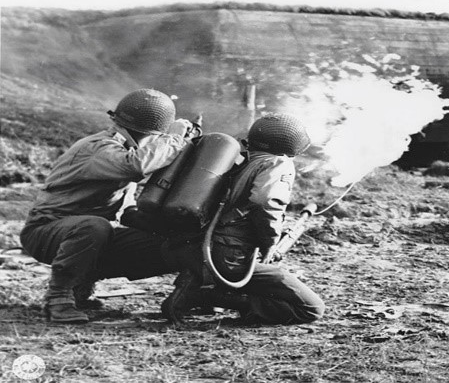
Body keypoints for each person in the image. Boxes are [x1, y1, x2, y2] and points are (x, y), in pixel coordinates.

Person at [20, 88, 198, 323]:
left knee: (167, 244)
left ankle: (79, 288)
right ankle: (59, 298)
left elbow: (125, 210)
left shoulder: (125, 149)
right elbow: (135, 166)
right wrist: (174, 137)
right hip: (46, 231)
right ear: (152, 133)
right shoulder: (98, 148)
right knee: (94, 227)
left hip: (84, 233)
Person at [160, 113, 325, 325]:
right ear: (291, 144)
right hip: (228, 258)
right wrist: (270, 243)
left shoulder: (236, 158)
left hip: (194, 248)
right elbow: (265, 201)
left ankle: (198, 284)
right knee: (310, 308)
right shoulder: (277, 163)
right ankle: (203, 295)